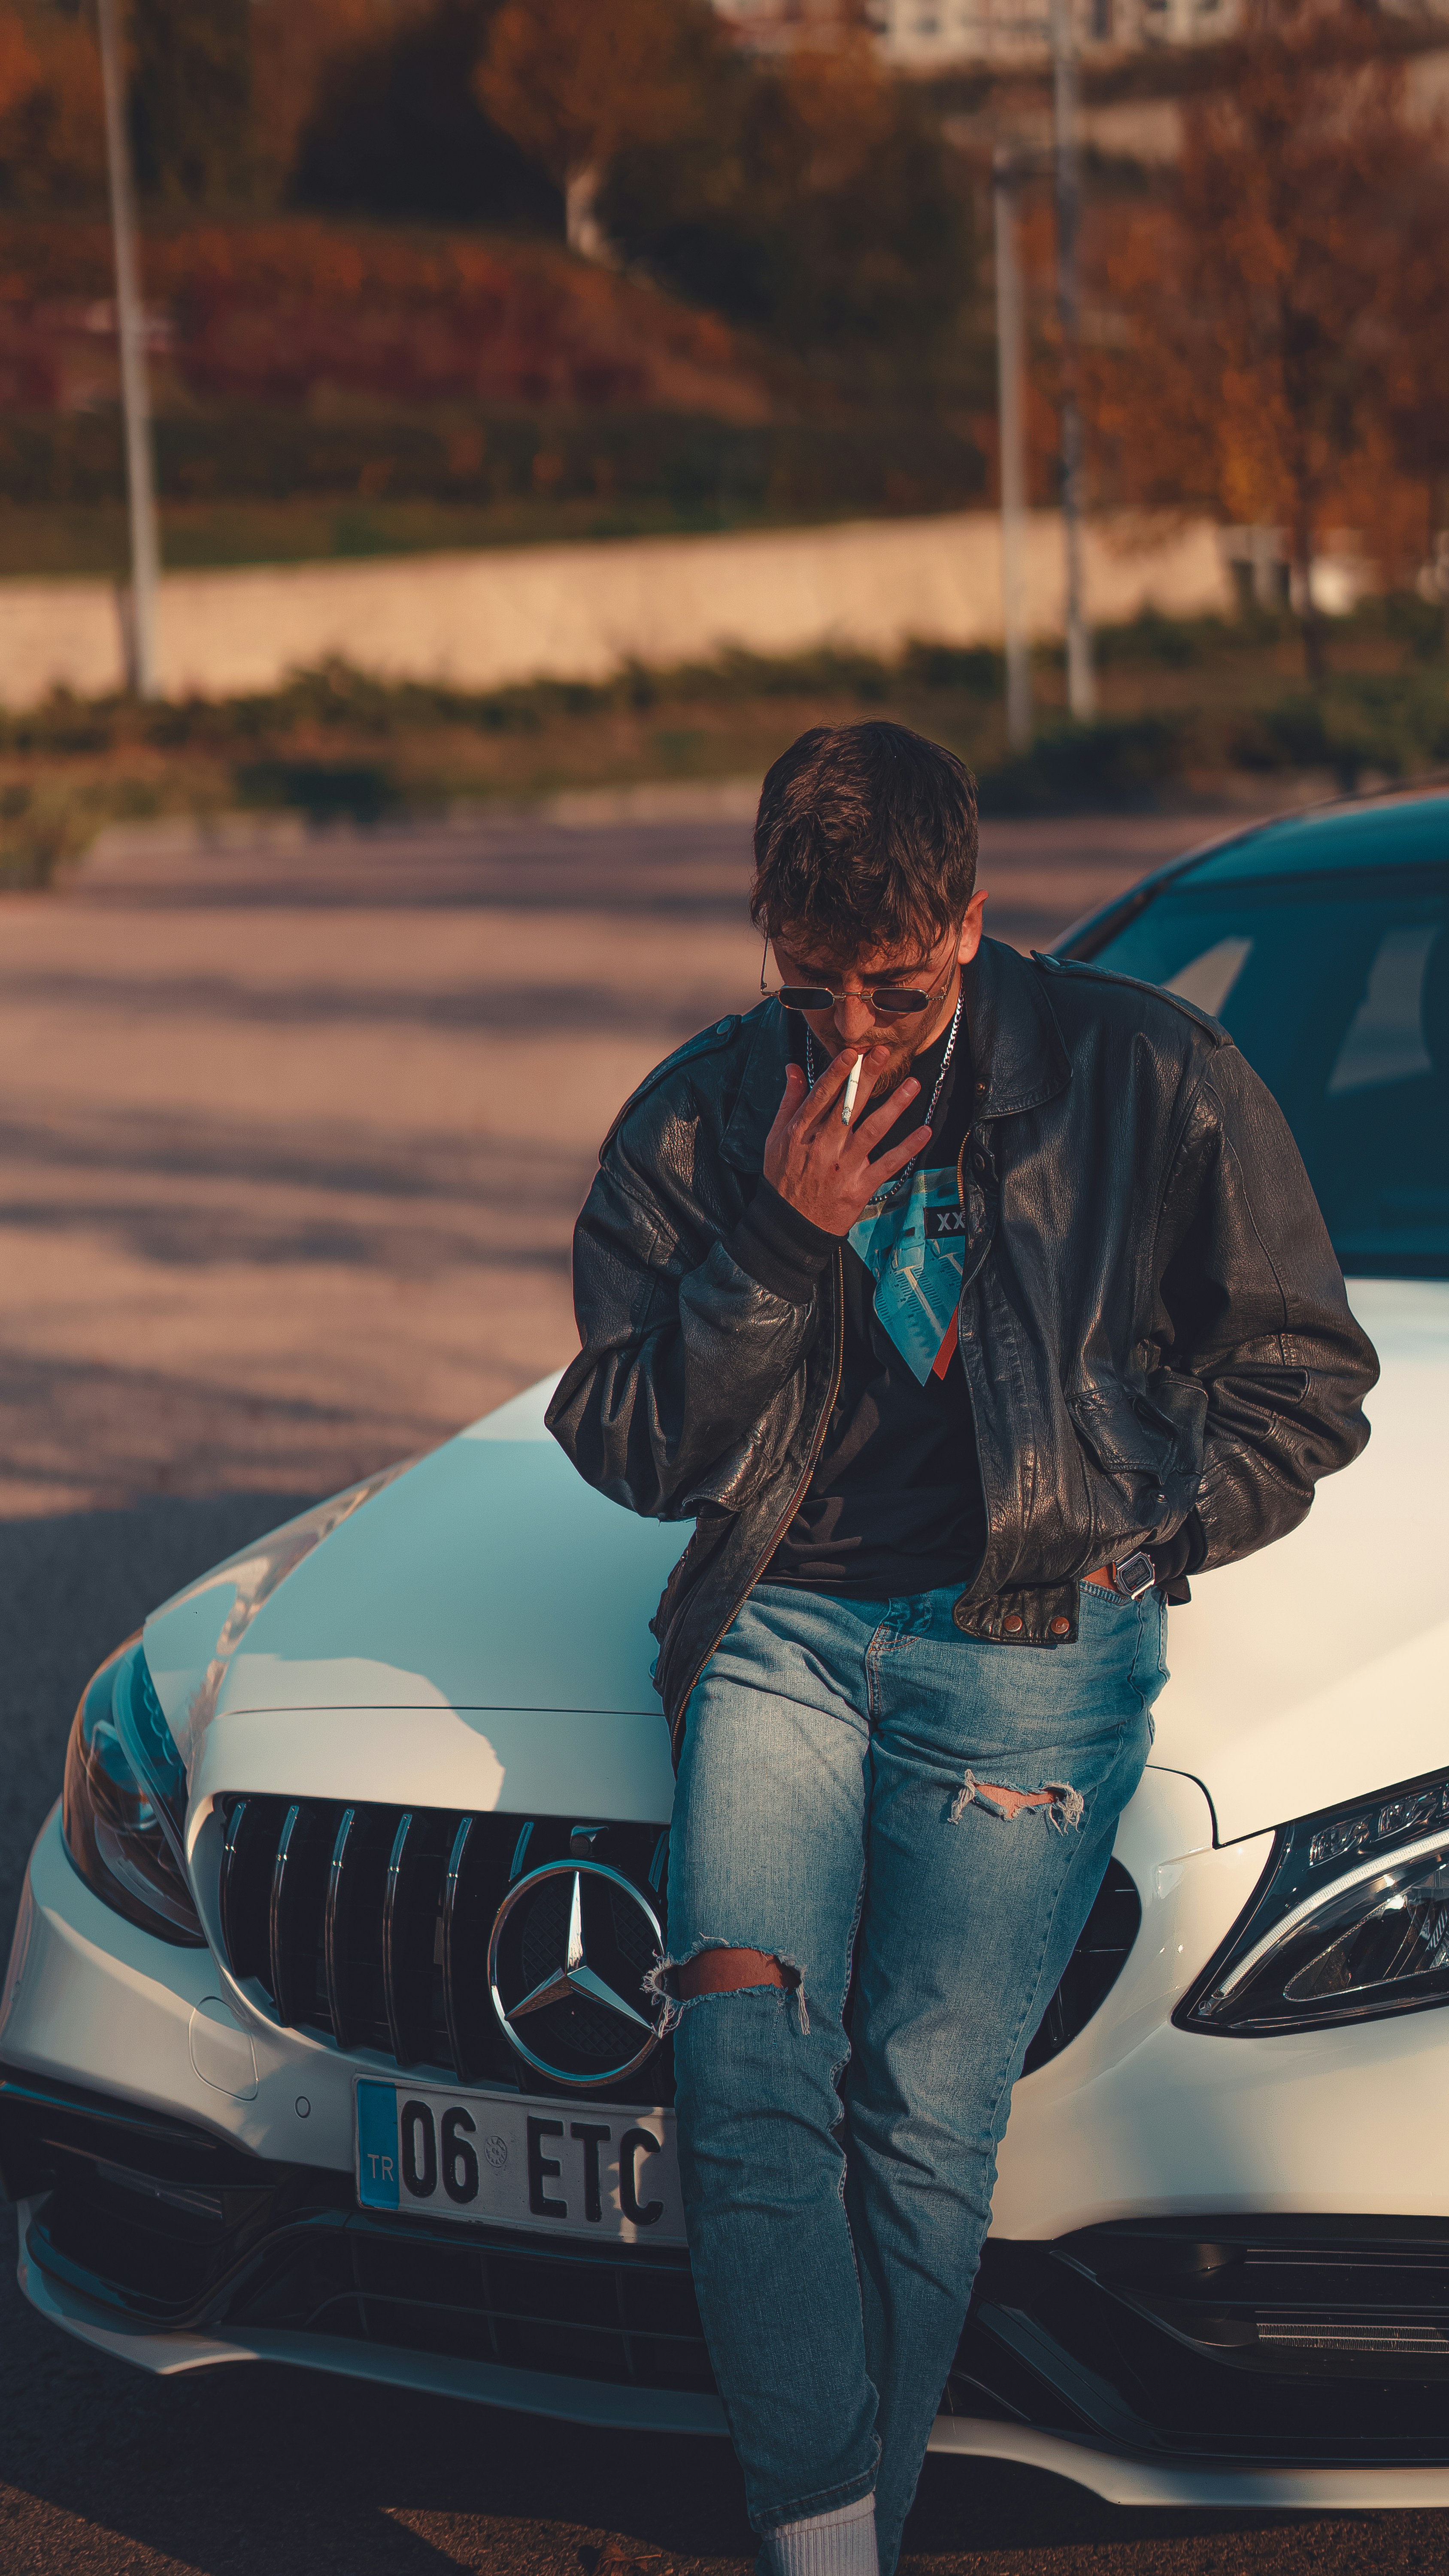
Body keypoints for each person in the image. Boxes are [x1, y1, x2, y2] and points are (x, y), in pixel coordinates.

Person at [546, 722, 1377, 2576]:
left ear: (977, 919)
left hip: (1027, 1648)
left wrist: (1137, 1522)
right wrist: (774, 1239)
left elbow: (1302, 1380)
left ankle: (831, 2538)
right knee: (745, 2068)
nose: (851, 1041)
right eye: (811, 992)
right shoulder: (698, 1120)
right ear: (767, 933)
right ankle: (832, 2546)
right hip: (783, 1628)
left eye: (901, 1000)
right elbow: (626, 1440)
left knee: (924, 2110)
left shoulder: (1144, 1071)